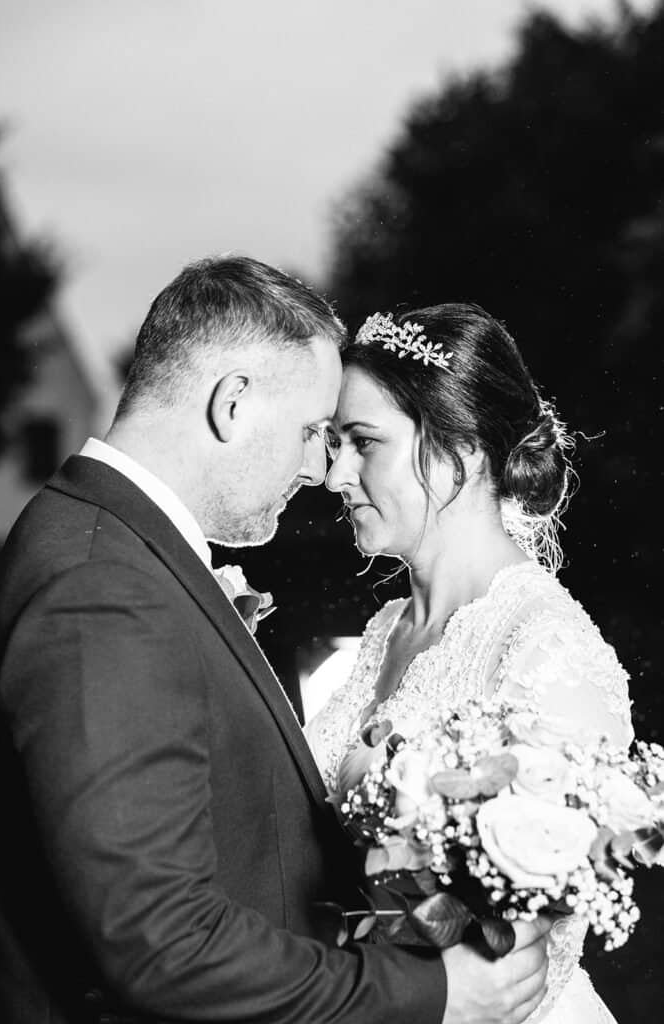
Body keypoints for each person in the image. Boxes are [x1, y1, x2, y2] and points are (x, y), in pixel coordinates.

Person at [0, 261, 550, 1024]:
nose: (321, 471)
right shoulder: (103, 588)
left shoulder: (117, 553)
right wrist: (430, 993)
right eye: (314, 432)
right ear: (234, 403)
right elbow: (161, 943)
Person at [306, 302, 634, 1023]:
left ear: (459, 450)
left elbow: (532, 949)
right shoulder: (388, 627)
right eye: (333, 443)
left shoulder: (544, 646)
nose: (335, 475)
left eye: (363, 443)